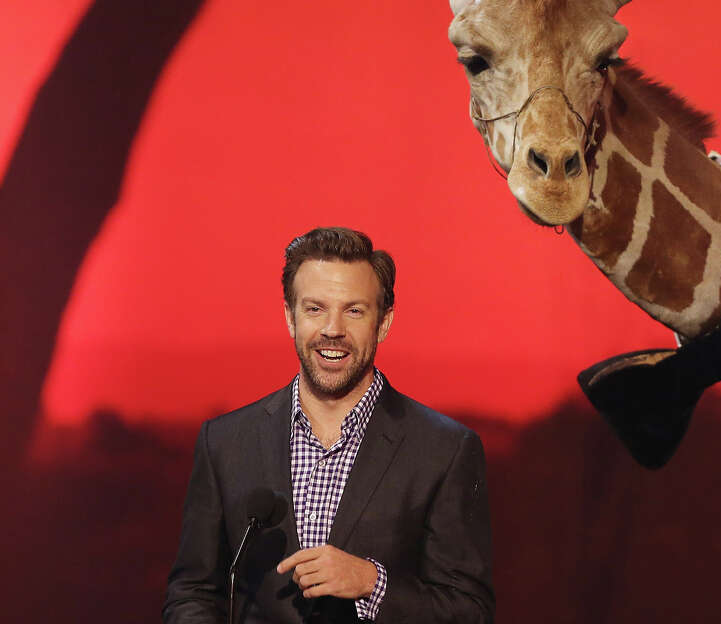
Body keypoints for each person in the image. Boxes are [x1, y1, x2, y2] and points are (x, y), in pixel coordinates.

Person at [164, 227, 494, 623]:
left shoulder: (445, 451)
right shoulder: (225, 443)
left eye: (354, 310)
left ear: (384, 323)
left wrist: (373, 582)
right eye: (315, 309)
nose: (332, 329)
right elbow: (193, 593)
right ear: (290, 317)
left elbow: (470, 612)